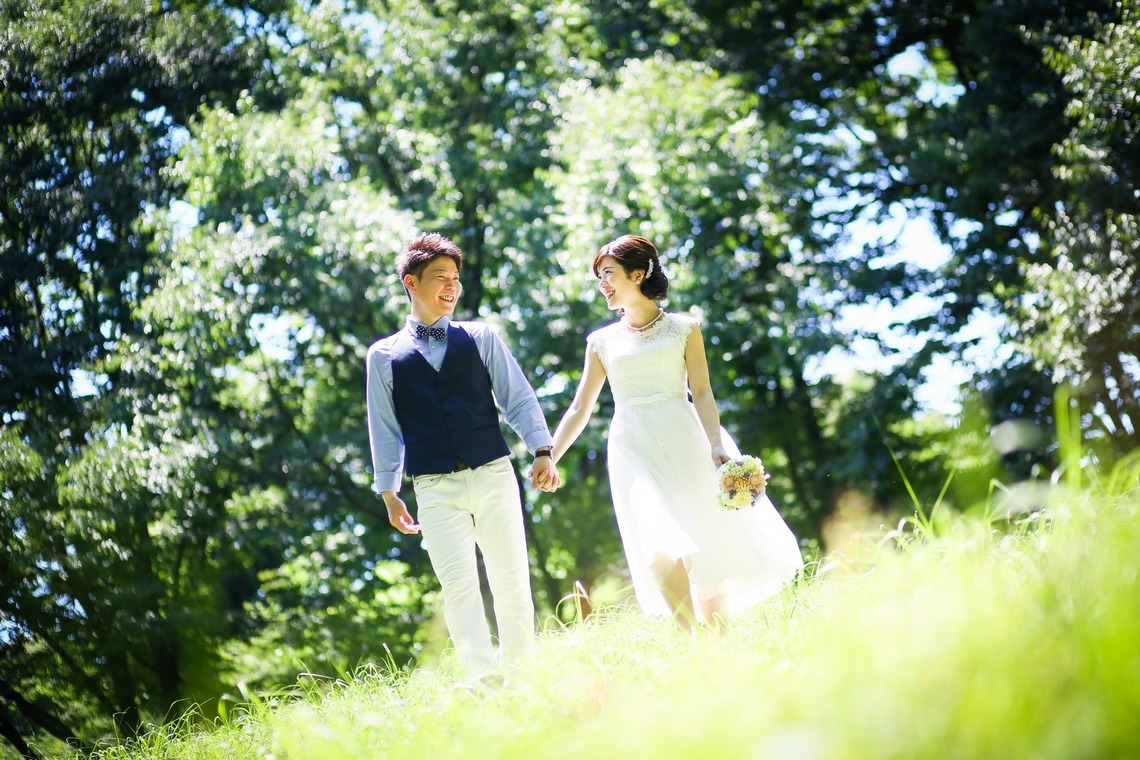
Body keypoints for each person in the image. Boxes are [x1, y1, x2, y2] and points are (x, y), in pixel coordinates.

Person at [549, 234, 803, 632]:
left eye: (609, 274)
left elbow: (701, 392)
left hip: (685, 436)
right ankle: (691, 642)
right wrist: (550, 455)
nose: (603, 284)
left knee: (706, 538)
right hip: (632, 444)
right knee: (657, 544)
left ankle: (717, 642)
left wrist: (717, 445)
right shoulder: (600, 342)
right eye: (599, 276)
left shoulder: (684, 329)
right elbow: (581, 407)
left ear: (637, 274)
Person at [366, 232, 561, 682]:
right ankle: (483, 684)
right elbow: (385, 427)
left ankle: (522, 679)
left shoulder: (480, 336)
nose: (452, 287)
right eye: (440, 278)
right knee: (459, 589)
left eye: (456, 278)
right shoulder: (383, 356)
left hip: (493, 473)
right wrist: (389, 492)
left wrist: (543, 450)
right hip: (433, 488)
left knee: (511, 581)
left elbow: (518, 398)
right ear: (411, 283)